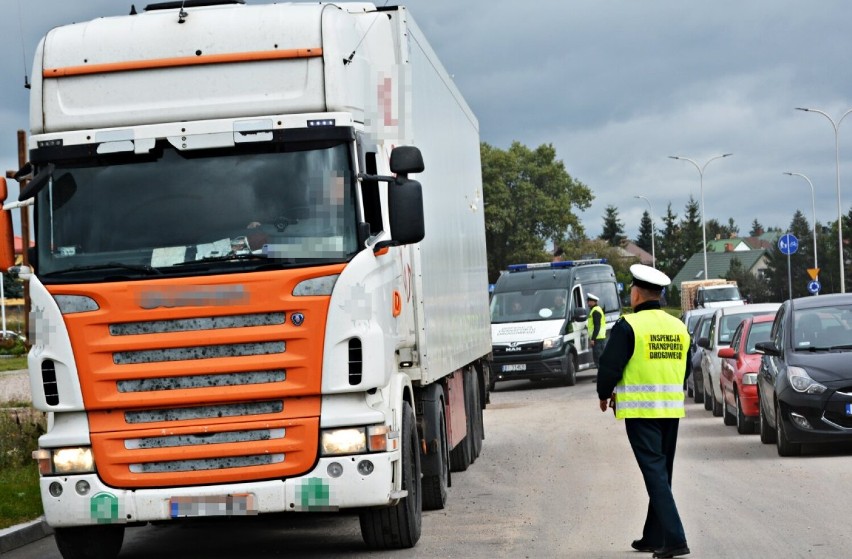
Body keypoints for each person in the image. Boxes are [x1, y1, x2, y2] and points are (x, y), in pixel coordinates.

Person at [596, 264, 691, 558]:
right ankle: (653, 536)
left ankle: (675, 539)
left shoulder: (629, 326)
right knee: (661, 472)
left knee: (654, 471)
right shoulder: (678, 326)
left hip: (640, 412)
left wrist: (604, 394)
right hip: (671, 410)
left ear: (636, 294)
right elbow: (686, 369)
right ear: (660, 296)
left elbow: (610, 365)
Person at [586, 293, 606, 369]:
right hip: (599, 338)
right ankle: (601, 376)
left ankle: (601, 377)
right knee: (598, 358)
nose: (587, 303)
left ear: (593, 302)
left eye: (589, 301)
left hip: (598, 339)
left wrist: (593, 339)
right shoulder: (596, 310)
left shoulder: (595, 311)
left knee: (598, 358)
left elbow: (597, 326)